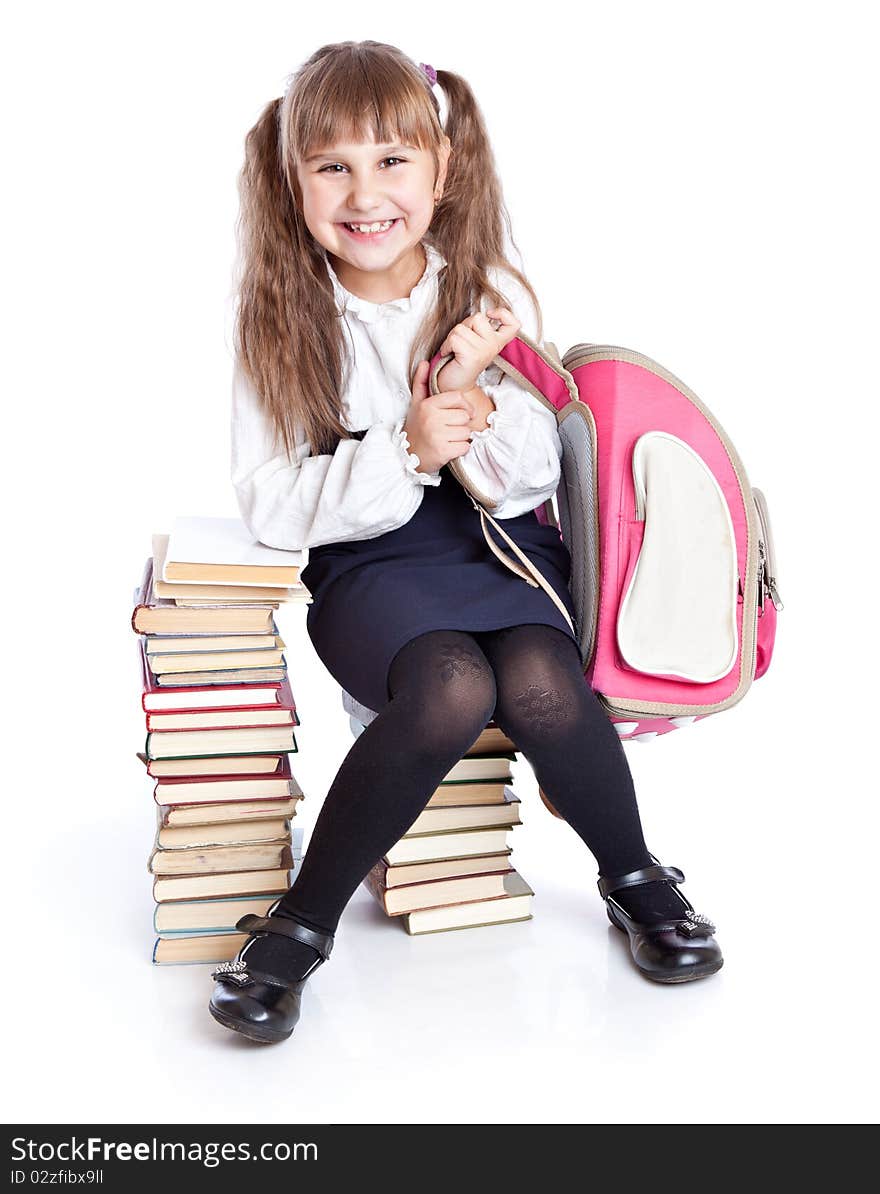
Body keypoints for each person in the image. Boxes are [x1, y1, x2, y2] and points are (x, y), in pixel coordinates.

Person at [211, 40, 722, 1044]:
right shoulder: (279, 317)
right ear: (293, 179)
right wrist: (401, 449)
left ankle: (633, 875)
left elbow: (541, 473)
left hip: (496, 550)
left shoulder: (483, 298)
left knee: (536, 671)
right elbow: (273, 504)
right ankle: (300, 926)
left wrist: (471, 401)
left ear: (440, 174)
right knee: (453, 685)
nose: (366, 193)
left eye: (392, 161)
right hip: (368, 567)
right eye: (333, 166)